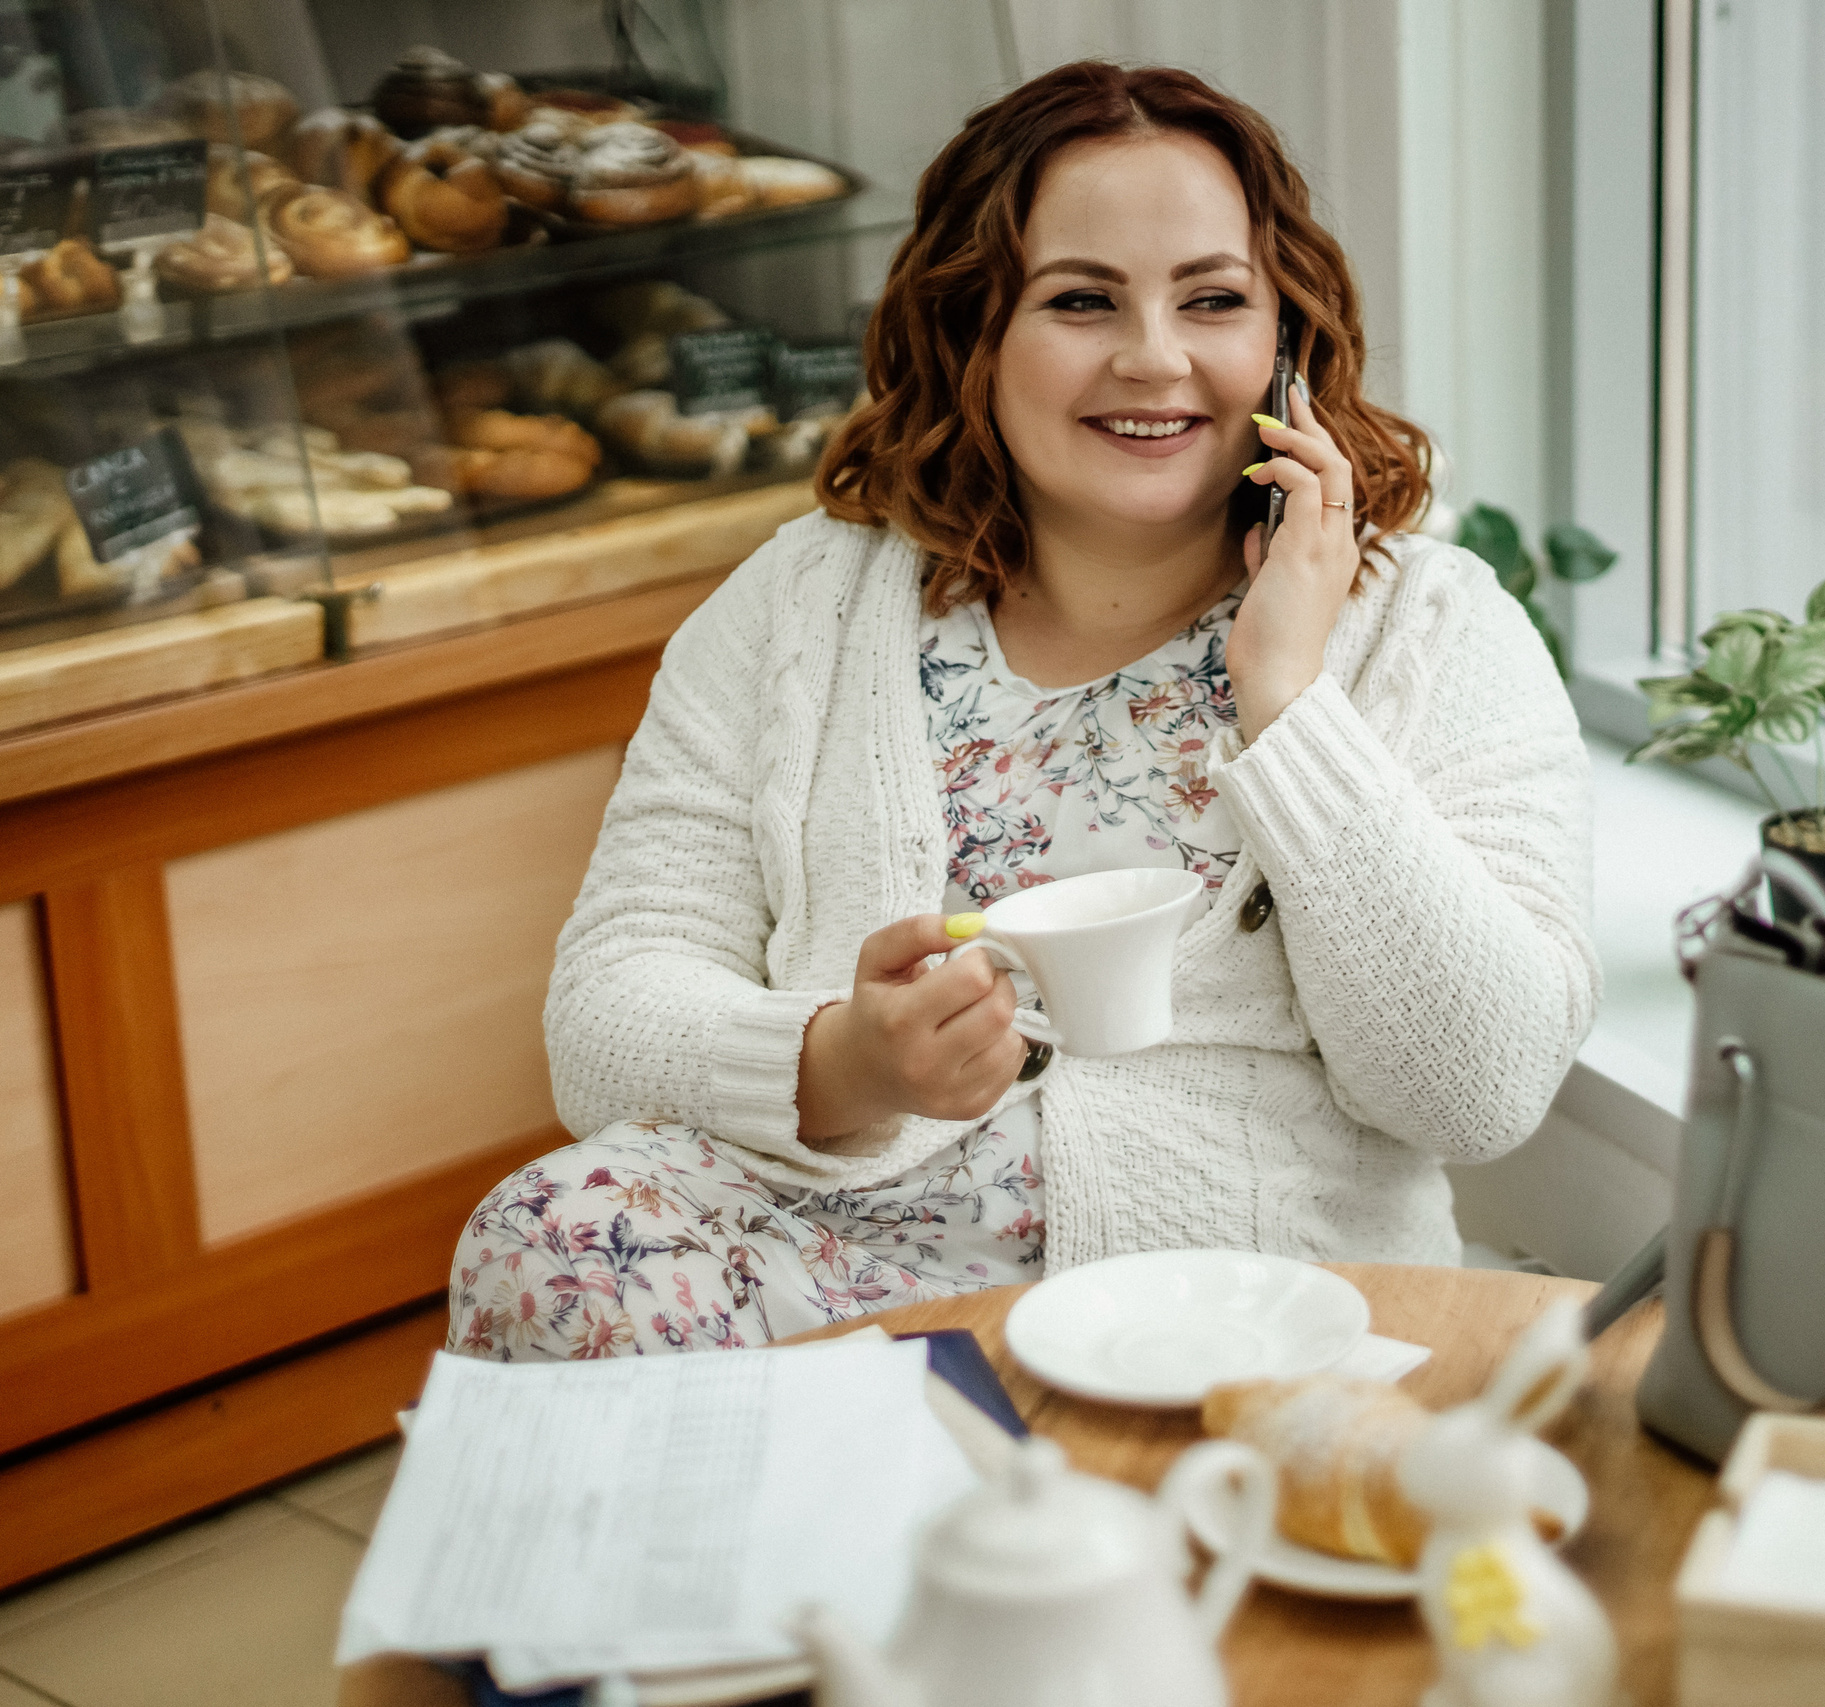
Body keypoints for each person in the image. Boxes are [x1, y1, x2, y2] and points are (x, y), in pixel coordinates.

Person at [447, 61, 1598, 1361]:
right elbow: (606, 1011)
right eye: (1081, 300)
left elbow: (1480, 1089)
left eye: (1212, 299)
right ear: (971, 331)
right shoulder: (801, 606)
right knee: (544, 1233)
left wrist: (1289, 703)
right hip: (848, 1279)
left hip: (1237, 1305)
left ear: (1285, 339)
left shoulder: (1430, 627)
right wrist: (844, 1065)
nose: (1153, 357)